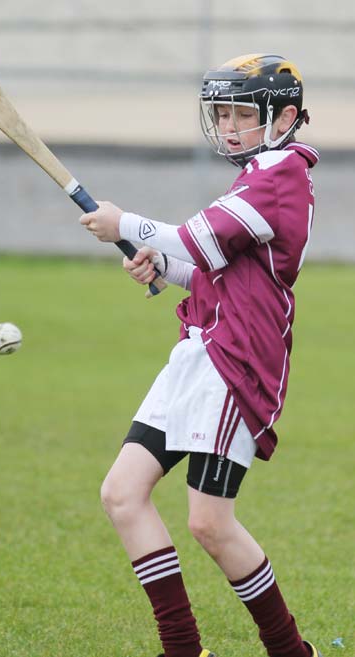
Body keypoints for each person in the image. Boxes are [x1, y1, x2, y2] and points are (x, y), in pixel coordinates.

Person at [79, 54, 323, 657]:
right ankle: (183, 649)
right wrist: (160, 264)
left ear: (286, 117)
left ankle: (291, 651)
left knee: (210, 523)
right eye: (225, 114)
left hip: (235, 361)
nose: (231, 125)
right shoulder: (254, 175)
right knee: (122, 493)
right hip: (198, 352)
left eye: (244, 113)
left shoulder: (281, 173)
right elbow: (211, 269)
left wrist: (123, 224)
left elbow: (195, 237)